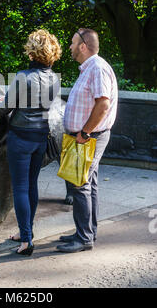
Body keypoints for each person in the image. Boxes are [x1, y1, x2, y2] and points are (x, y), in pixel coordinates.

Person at [0, 29, 62, 255]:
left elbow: (3, 110)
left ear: (32, 52)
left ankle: (26, 241)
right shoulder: (54, 78)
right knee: (31, 186)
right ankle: (25, 232)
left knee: (20, 188)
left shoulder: (23, 76)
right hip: (41, 137)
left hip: (20, 138)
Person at [56, 28, 118, 253]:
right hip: (87, 135)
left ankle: (84, 239)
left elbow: (103, 104)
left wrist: (84, 133)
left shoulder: (97, 68)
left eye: (72, 43)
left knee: (80, 184)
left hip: (89, 136)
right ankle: (86, 231)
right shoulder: (89, 68)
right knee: (88, 185)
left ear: (83, 46)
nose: (70, 47)